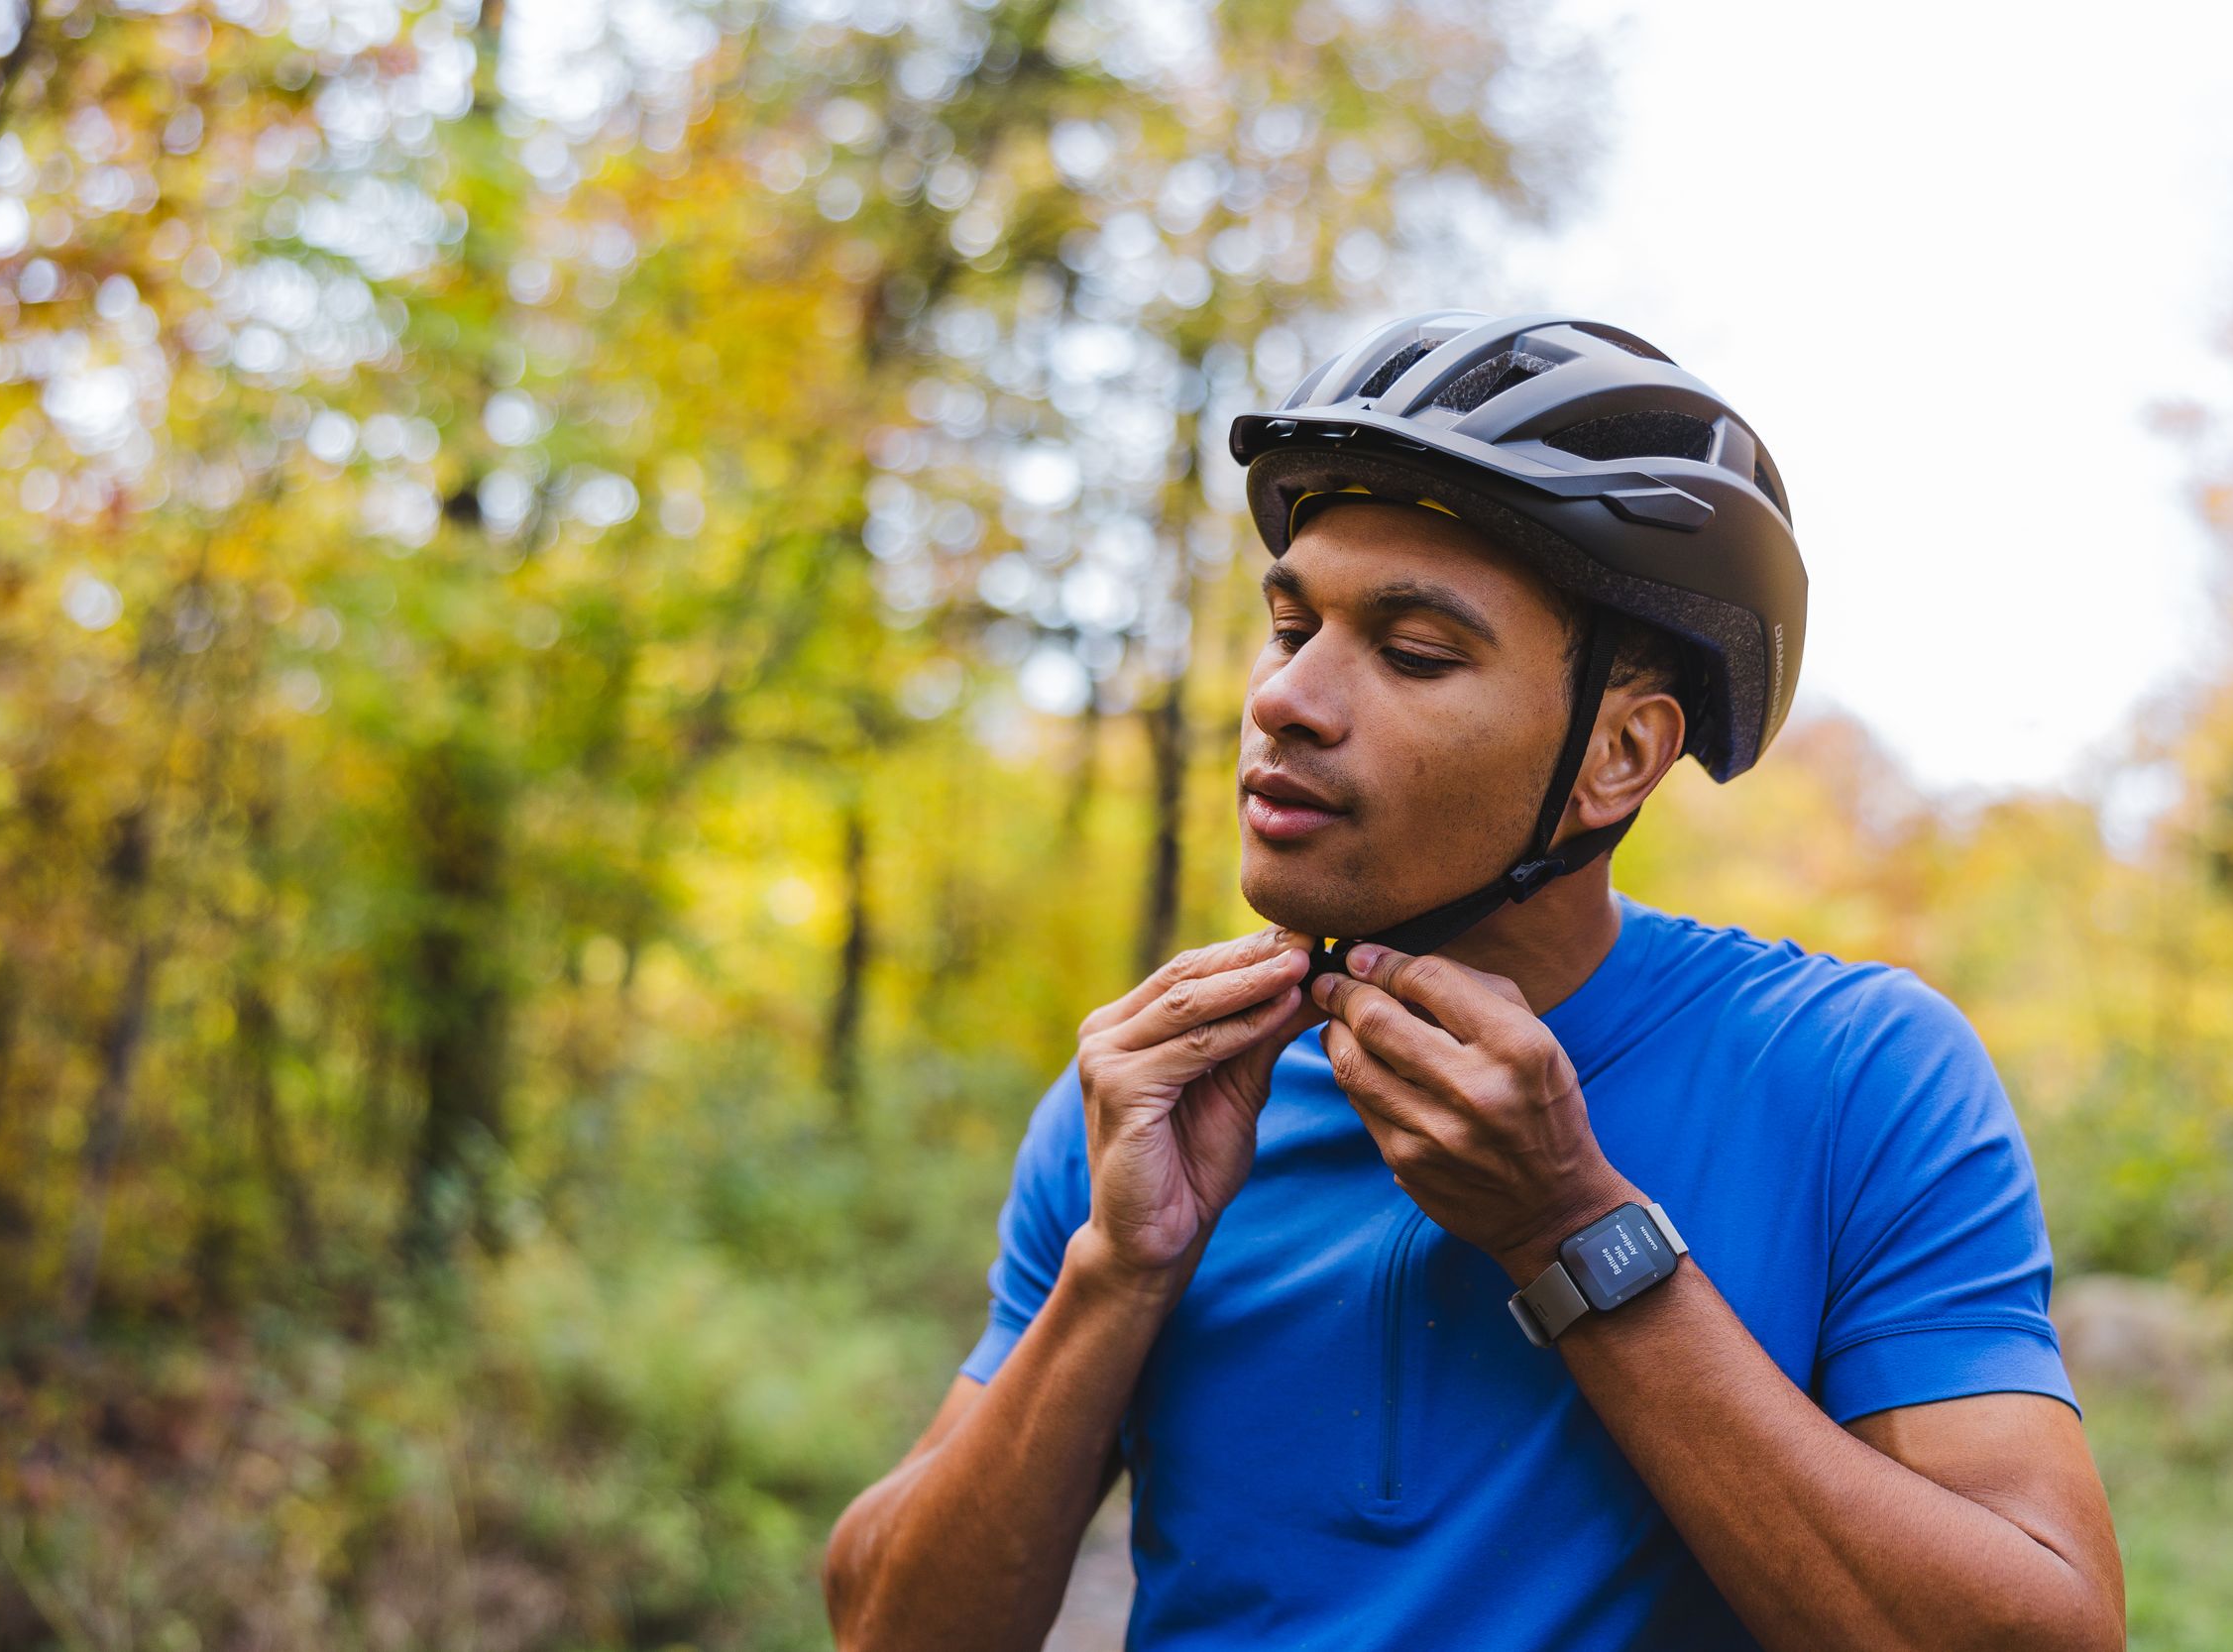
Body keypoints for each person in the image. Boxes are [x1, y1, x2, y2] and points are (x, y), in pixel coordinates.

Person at [821, 312, 2124, 1651]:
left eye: (1414, 652)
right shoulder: (1154, 1102)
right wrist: (1115, 1271)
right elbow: (886, 1631)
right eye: (1291, 626)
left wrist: (1572, 1230)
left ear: (1618, 757)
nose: (1288, 700)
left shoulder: (1854, 1077)